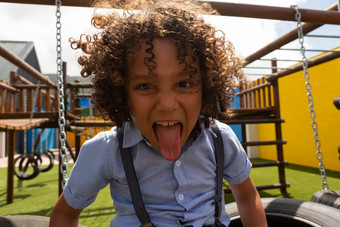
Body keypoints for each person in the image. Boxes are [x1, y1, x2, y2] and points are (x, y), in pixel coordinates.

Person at [49, 0, 267, 226]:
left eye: (183, 84)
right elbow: (65, 213)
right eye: (145, 86)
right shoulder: (107, 150)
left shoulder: (221, 140)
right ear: (121, 92)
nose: (166, 104)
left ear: (206, 87)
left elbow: (248, 197)